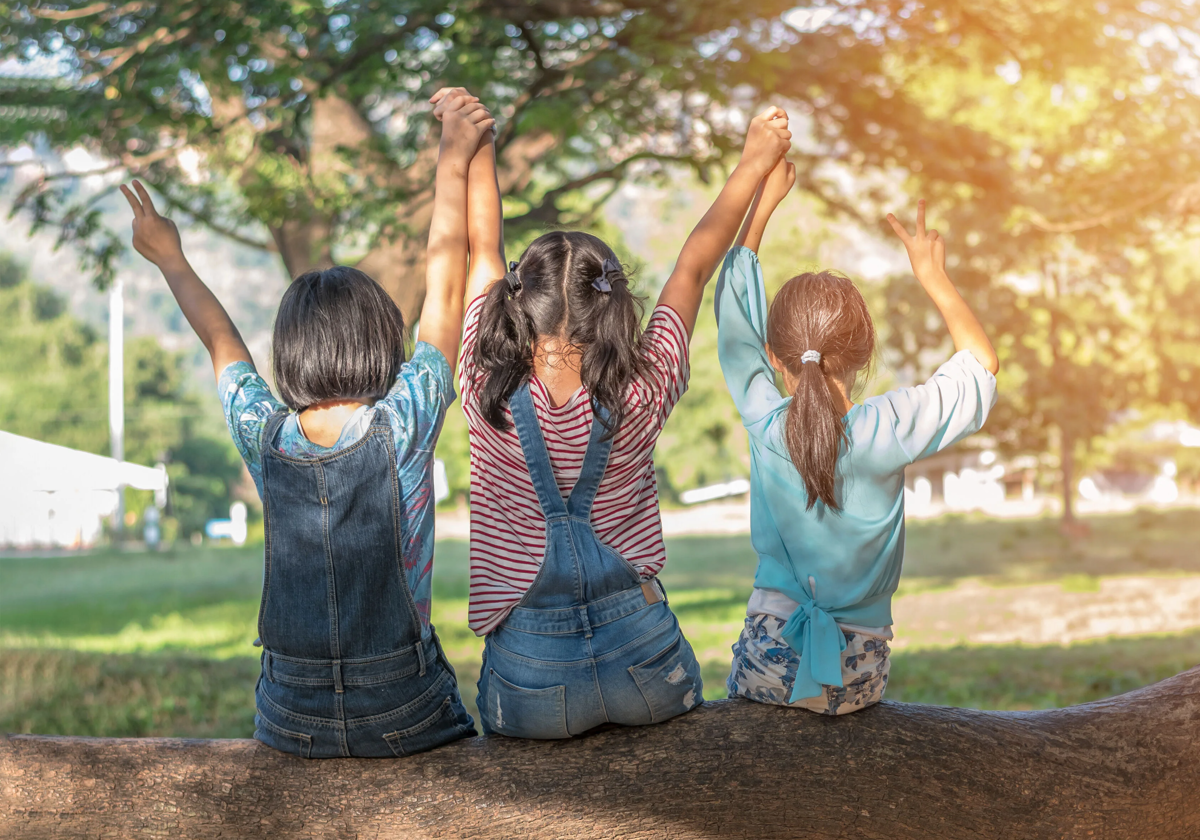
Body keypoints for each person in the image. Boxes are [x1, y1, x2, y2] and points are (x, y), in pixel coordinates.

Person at [119, 91, 495, 756]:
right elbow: (445, 281)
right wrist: (453, 155)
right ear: (383, 343)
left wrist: (171, 259)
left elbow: (220, 342)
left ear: (290, 353)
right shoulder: (405, 421)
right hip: (402, 706)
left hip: (291, 715)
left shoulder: (267, 438)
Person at [437, 87, 793, 738]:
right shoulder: (644, 385)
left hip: (530, 682)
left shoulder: (484, 381)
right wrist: (754, 160)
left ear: (519, 302)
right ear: (613, 303)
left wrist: (477, 144)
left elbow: (481, 245)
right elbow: (692, 268)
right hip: (647, 667)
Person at [717, 162, 1000, 714]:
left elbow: (734, 328)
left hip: (768, 662)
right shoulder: (890, 427)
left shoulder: (764, 421)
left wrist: (760, 211)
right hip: (860, 676)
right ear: (863, 357)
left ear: (775, 358)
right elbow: (981, 367)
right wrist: (933, 277)